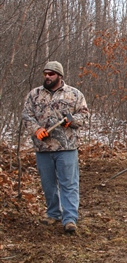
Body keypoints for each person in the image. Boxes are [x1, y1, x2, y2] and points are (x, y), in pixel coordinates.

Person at [22, 61, 88, 233]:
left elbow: (85, 115)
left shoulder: (74, 94)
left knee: (69, 184)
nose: (47, 77)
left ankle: (70, 219)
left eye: (51, 74)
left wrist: (71, 121)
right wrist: (36, 130)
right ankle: (53, 213)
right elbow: (27, 115)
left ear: (59, 75)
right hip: (43, 148)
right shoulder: (34, 95)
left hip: (66, 147)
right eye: (45, 73)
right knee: (48, 184)